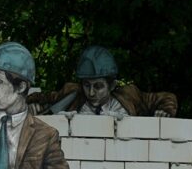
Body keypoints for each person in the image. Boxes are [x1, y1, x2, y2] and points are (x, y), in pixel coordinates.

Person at [27, 45, 178, 118]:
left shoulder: (130, 96)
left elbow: (166, 98)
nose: (91, 93)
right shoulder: (73, 94)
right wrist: (33, 106)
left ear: (112, 85)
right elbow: (42, 98)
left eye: (98, 86)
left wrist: (165, 111)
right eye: (87, 85)